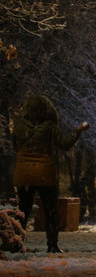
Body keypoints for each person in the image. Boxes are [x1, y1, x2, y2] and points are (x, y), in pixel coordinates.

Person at [12, 95, 89, 253]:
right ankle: (52, 245)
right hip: (45, 174)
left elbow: (15, 146)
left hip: (24, 174)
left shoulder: (19, 125)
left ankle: (16, 243)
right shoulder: (49, 126)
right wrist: (78, 131)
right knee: (50, 211)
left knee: (22, 211)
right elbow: (65, 144)